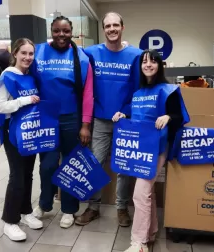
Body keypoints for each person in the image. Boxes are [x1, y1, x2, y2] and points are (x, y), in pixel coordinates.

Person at [113, 49, 189, 252]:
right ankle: (151, 232)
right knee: (148, 193)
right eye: (144, 62)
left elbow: (179, 115)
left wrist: (168, 117)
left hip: (158, 149)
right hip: (141, 150)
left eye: (152, 62)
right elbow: (135, 118)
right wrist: (122, 115)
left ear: (159, 65)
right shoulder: (137, 93)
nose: (148, 65)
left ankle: (139, 243)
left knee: (140, 194)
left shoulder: (168, 90)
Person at [77, 11, 142, 227]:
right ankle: (93, 207)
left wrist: (127, 110)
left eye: (116, 25)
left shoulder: (136, 55)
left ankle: (122, 208)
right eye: (108, 26)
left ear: (122, 28)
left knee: (123, 166)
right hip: (100, 119)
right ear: (103, 29)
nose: (112, 29)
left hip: (126, 120)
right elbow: (71, 58)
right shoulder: (92, 53)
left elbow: (142, 89)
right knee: (95, 163)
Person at [31, 16, 94, 228]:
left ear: (72, 32)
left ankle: (69, 209)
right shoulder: (38, 52)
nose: (61, 35)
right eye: (57, 30)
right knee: (47, 165)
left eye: (65, 31)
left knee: (70, 164)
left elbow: (88, 94)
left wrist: (85, 125)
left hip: (71, 119)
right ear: (51, 30)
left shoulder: (81, 57)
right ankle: (44, 203)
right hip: (46, 118)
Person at [0, 38, 43, 241]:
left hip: (30, 131)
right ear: (15, 54)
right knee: (17, 176)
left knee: (28, 174)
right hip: (13, 133)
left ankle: (25, 211)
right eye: (24, 53)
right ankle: (10, 221)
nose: (28, 57)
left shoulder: (29, 76)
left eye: (31, 54)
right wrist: (23, 101)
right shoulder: (8, 77)